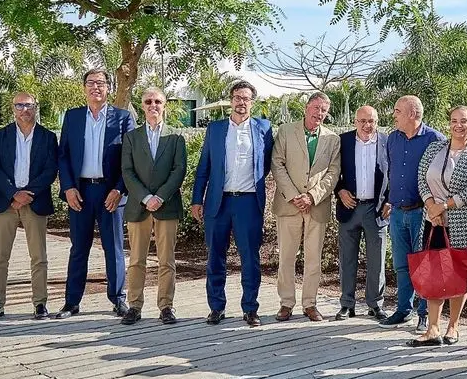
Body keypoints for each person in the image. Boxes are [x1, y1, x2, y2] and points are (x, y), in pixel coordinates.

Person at [191, 80, 274, 327]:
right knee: (215, 256)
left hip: (248, 203)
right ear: (231, 100)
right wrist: (197, 199)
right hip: (219, 202)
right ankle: (216, 307)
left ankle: (250, 308)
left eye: (246, 98)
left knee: (250, 258)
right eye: (237, 97)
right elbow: (203, 166)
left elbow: (266, 163)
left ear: (252, 102)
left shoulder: (264, 128)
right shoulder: (215, 129)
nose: (241, 102)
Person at [406, 106, 467, 347]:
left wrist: (443, 206)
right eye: (454, 120)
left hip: (465, 222)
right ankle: (432, 328)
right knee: (435, 272)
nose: (458, 125)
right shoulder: (435, 148)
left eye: (464, 121)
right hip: (434, 221)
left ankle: (453, 326)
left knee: (457, 275)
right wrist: (431, 206)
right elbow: (422, 178)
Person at [56, 69, 135, 319]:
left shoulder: (123, 118)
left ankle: (118, 299)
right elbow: (64, 155)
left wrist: (119, 189)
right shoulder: (73, 117)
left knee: (114, 248)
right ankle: (71, 302)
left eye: (100, 83)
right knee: (79, 247)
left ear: (108, 88)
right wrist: (68, 187)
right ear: (84, 88)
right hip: (80, 192)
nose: (95, 88)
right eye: (91, 83)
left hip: (111, 192)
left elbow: (130, 160)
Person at [0, 92, 59, 321]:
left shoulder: (48, 137)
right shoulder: (1, 136)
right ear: (13, 108)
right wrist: (13, 193)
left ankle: (40, 304)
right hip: (6, 202)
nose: (24, 110)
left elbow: (50, 170)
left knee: (39, 256)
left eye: (28, 105)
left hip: (34, 202)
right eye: (19, 105)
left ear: (35, 107)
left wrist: (29, 193)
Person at [378, 95, 446, 332]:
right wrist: (387, 200)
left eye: (397, 111)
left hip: (422, 213)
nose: (394, 115)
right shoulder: (393, 139)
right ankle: (403, 310)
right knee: (401, 264)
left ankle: (425, 314)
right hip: (397, 212)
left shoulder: (435, 139)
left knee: (424, 265)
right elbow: (392, 173)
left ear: (413, 114)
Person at [120, 88, 187, 325]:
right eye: (148, 101)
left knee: (166, 260)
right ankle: (134, 305)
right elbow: (127, 171)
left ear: (164, 105)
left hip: (166, 207)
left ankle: (166, 306)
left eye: (157, 101)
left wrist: (160, 196)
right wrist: (145, 197)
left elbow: (179, 170)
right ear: (142, 106)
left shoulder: (176, 137)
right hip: (139, 207)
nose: (153, 105)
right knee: (137, 260)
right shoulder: (131, 137)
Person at [271, 92, 340, 322]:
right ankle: (286, 303)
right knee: (287, 257)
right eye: (316, 108)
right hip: (289, 205)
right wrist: (294, 196)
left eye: (323, 110)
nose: (319, 113)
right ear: (306, 107)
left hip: (316, 206)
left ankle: (310, 304)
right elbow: (277, 164)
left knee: (313, 259)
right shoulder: (286, 131)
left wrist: (311, 196)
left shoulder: (333, 139)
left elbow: (333, 173)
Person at [333, 105, 390, 321]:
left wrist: (390, 201)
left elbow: (395, 174)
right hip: (349, 207)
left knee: (377, 260)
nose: (367, 125)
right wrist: (340, 191)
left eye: (371, 121)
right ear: (355, 122)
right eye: (363, 121)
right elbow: (332, 172)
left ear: (377, 121)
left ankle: (375, 305)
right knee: (347, 258)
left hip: (376, 210)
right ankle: (347, 304)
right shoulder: (343, 141)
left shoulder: (386, 142)